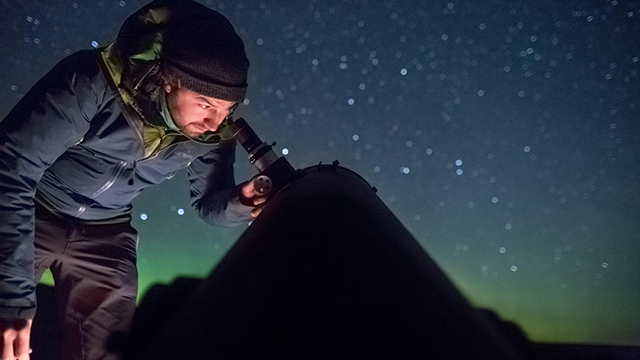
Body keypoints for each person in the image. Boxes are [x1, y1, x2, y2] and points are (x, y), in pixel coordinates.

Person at [0, 0, 265, 359]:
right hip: (34, 209)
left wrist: (241, 201)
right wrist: (12, 299)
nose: (215, 123)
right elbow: (12, 166)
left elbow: (209, 203)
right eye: (205, 104)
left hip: (107, 232)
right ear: (169, 81)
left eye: (227, 109)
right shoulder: (91, 83)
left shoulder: (211, 135)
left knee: (104, 351)